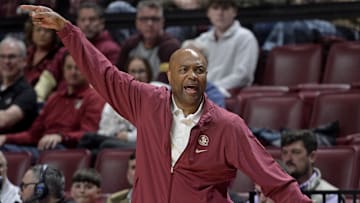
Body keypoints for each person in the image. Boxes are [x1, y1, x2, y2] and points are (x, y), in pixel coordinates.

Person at [21, 4, 312, 203]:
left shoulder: (228, 126)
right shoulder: (147, 102)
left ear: (206, 76)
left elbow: (276, 181)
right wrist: (67, 31)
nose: (191, 76)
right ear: (169, 75)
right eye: (183, 70)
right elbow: (103, 73)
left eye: (198, 70)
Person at [0, 52, 105, 159]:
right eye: (69, 67)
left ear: (87, 70)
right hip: (42, 148)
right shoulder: (54, 98)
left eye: (78, 68)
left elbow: (89, 134)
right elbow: (33, 135)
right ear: (63, 70)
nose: (73, 72)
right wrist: (6, 137)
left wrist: (61, 137)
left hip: (68, 150)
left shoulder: (94, 98)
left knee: (53, 148)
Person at [182, 0, 259, 95]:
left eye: (225, 8)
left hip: (228, 93)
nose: (220, 13)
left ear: (234, 12)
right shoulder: (204, 39)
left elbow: (243, 76)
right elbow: (186, 50)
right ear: (208, 13)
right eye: (215, 8)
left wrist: (211, 87)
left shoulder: (245, 37)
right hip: (204, 92)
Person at [117, 0, 181, 83]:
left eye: (155, 19)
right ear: (137, 22)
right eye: (144, 19)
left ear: (162, 22)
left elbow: (167, 79)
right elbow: (119, 73)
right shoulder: (129, 45)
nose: (149, 23)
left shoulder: (171, 46)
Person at [280, 130, 341, 203]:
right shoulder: (274, 190)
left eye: (295, 152)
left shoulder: (331, 195)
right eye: (284, 153)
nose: (288, 159)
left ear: (312, 156)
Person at [0, 36, 38, 134]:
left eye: (11, 57)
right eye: (2, 56)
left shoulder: (27, 92)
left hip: (11, 145)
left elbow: (4, 120)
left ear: (24, 61)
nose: (6, 62)